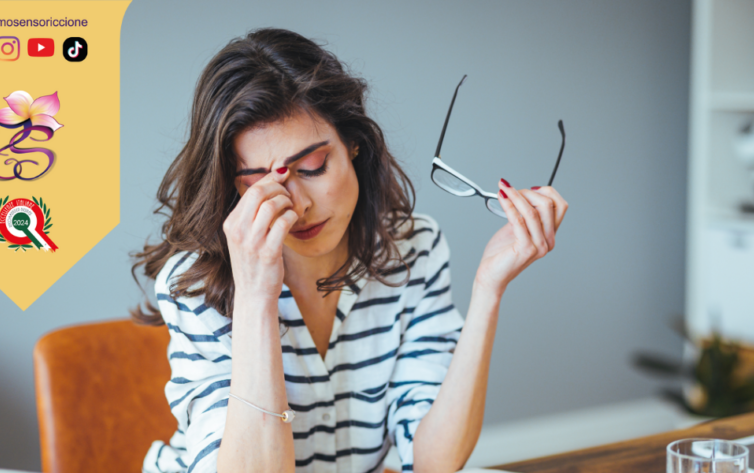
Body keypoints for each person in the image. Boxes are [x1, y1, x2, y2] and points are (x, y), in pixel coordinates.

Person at [131, 28, 567, 473]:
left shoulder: (412, 250)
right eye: (260, 186)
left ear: (354, 145)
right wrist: (256, 297)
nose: (297, 205)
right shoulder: (196, 286)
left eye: (313, 168)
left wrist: (488, 290)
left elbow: (434, 461)